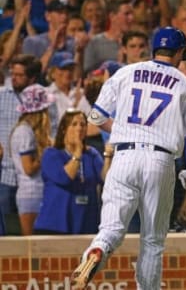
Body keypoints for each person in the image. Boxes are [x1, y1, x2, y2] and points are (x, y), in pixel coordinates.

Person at [70, 26, 186, 289]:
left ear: (154, 48)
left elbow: (95, 117)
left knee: (110, 229)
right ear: (179, 52)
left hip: (123, 156)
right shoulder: (185, 85)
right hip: (160, 160)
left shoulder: (126, 72)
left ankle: (97, 250)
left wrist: (122, 129)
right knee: (153, 240)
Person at [34, 110, 112, 234]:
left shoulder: (91, 154)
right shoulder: (51, 154)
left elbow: (106, 180)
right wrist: (77, 152)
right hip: (55, 225)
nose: (79, 128)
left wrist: (108, 156)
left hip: (86, 223)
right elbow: (65, 178)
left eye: (83, 124)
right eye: (74, 124)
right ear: (64, 129)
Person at [10, 84, 53, 235]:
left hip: (38, 193)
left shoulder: (28, 130)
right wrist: (46, 150)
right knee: (31, 247)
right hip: (30, 194)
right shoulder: (24, 131)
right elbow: (28, 168)